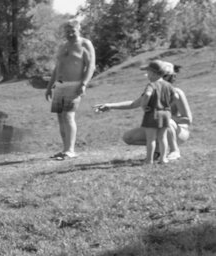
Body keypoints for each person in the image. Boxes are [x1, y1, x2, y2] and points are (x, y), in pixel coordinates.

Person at [95, 59, 179, 164]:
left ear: (153, 73)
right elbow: (176, 96)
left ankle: (149, 160)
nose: (146, 74)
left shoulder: (151, 85)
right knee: (162, 137)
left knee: (151, 138)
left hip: (153, 114)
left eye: (148, 72)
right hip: (165, 113)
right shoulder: (168, 85)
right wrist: (167, 104)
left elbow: (147, 95)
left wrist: (144, 106)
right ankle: (163, 158)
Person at [44, 20, 96, 160]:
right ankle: (65, 149)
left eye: (73, 30)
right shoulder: (63, 45)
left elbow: (91, 65)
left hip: (75, 84)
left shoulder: (85, 44)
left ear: (79, 29)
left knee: (68, 115)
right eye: (67, 31)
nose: (70, 33)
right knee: (61, 118)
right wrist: (49, 87)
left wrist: (84, 83)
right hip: (60, 85)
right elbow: (57, 68)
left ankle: (70, 150)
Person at [120, 64, 192, 160]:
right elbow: (133, 104)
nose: (148, 75)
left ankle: (174, 150)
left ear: (164, 76)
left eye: (150, 72)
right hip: (159, 126)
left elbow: (187, 120)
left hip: (178, 132)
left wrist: (166, 115)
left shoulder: (176, 92)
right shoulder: (153, 89)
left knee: (166, 120)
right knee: (128, 137)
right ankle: (158, 150)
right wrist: (108, 106)